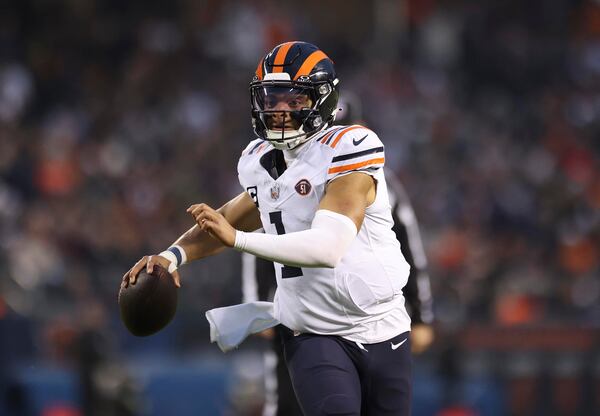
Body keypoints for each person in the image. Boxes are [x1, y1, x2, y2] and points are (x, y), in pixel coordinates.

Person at [123, 41, 412, 415]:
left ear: (323, 100)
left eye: (294, 101)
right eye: (272, 99)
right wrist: (171, 256)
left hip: (383, 327)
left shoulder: (350, 148)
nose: (279, 112)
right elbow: (226, 217)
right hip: (314, 332)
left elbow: (328, 247)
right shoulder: (259, 161)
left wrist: (240, 241)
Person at [241, 93, 435, 416]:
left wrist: (422, 313)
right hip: (302, 314)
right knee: (288, 405)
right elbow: (263, 233)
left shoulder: (368, 171)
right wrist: (256, 299)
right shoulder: (284, 170)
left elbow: (407, 243)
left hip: (369, 316)